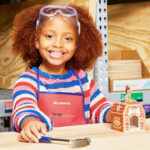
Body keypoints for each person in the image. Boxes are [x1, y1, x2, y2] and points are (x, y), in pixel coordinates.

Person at [11, 4, 111, 143]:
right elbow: (24, 109)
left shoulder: (83, 80)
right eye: (50, 36)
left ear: (77, 45)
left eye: (68, 38)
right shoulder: (27, 81)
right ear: (36, 41)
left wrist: (117, 113)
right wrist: (30, 122)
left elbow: (100, 109)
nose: (58, 44)